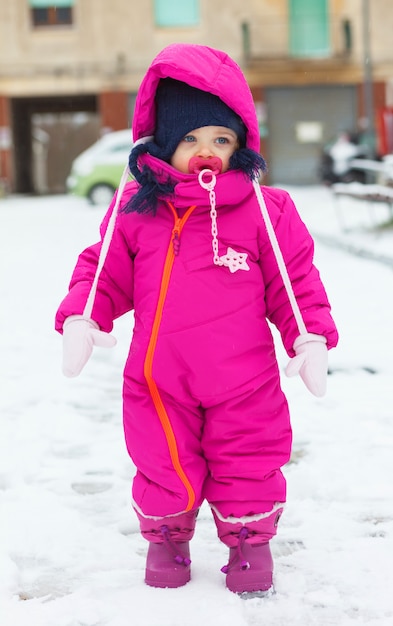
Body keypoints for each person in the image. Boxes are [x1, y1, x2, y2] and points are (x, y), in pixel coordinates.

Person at [56, 43, 338, 596]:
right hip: (160, 378)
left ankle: (250, 543)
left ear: (242, 145)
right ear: (163, 143)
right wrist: (83, 316)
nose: (205, 152)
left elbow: (293, 279)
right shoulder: (137, 208)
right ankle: (167, 538)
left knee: (249, 458)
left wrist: (309, 337)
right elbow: (103, 269)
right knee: (162, 459)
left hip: (245, 379)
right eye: (190, 139)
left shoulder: (265, 209)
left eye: (221, 139)